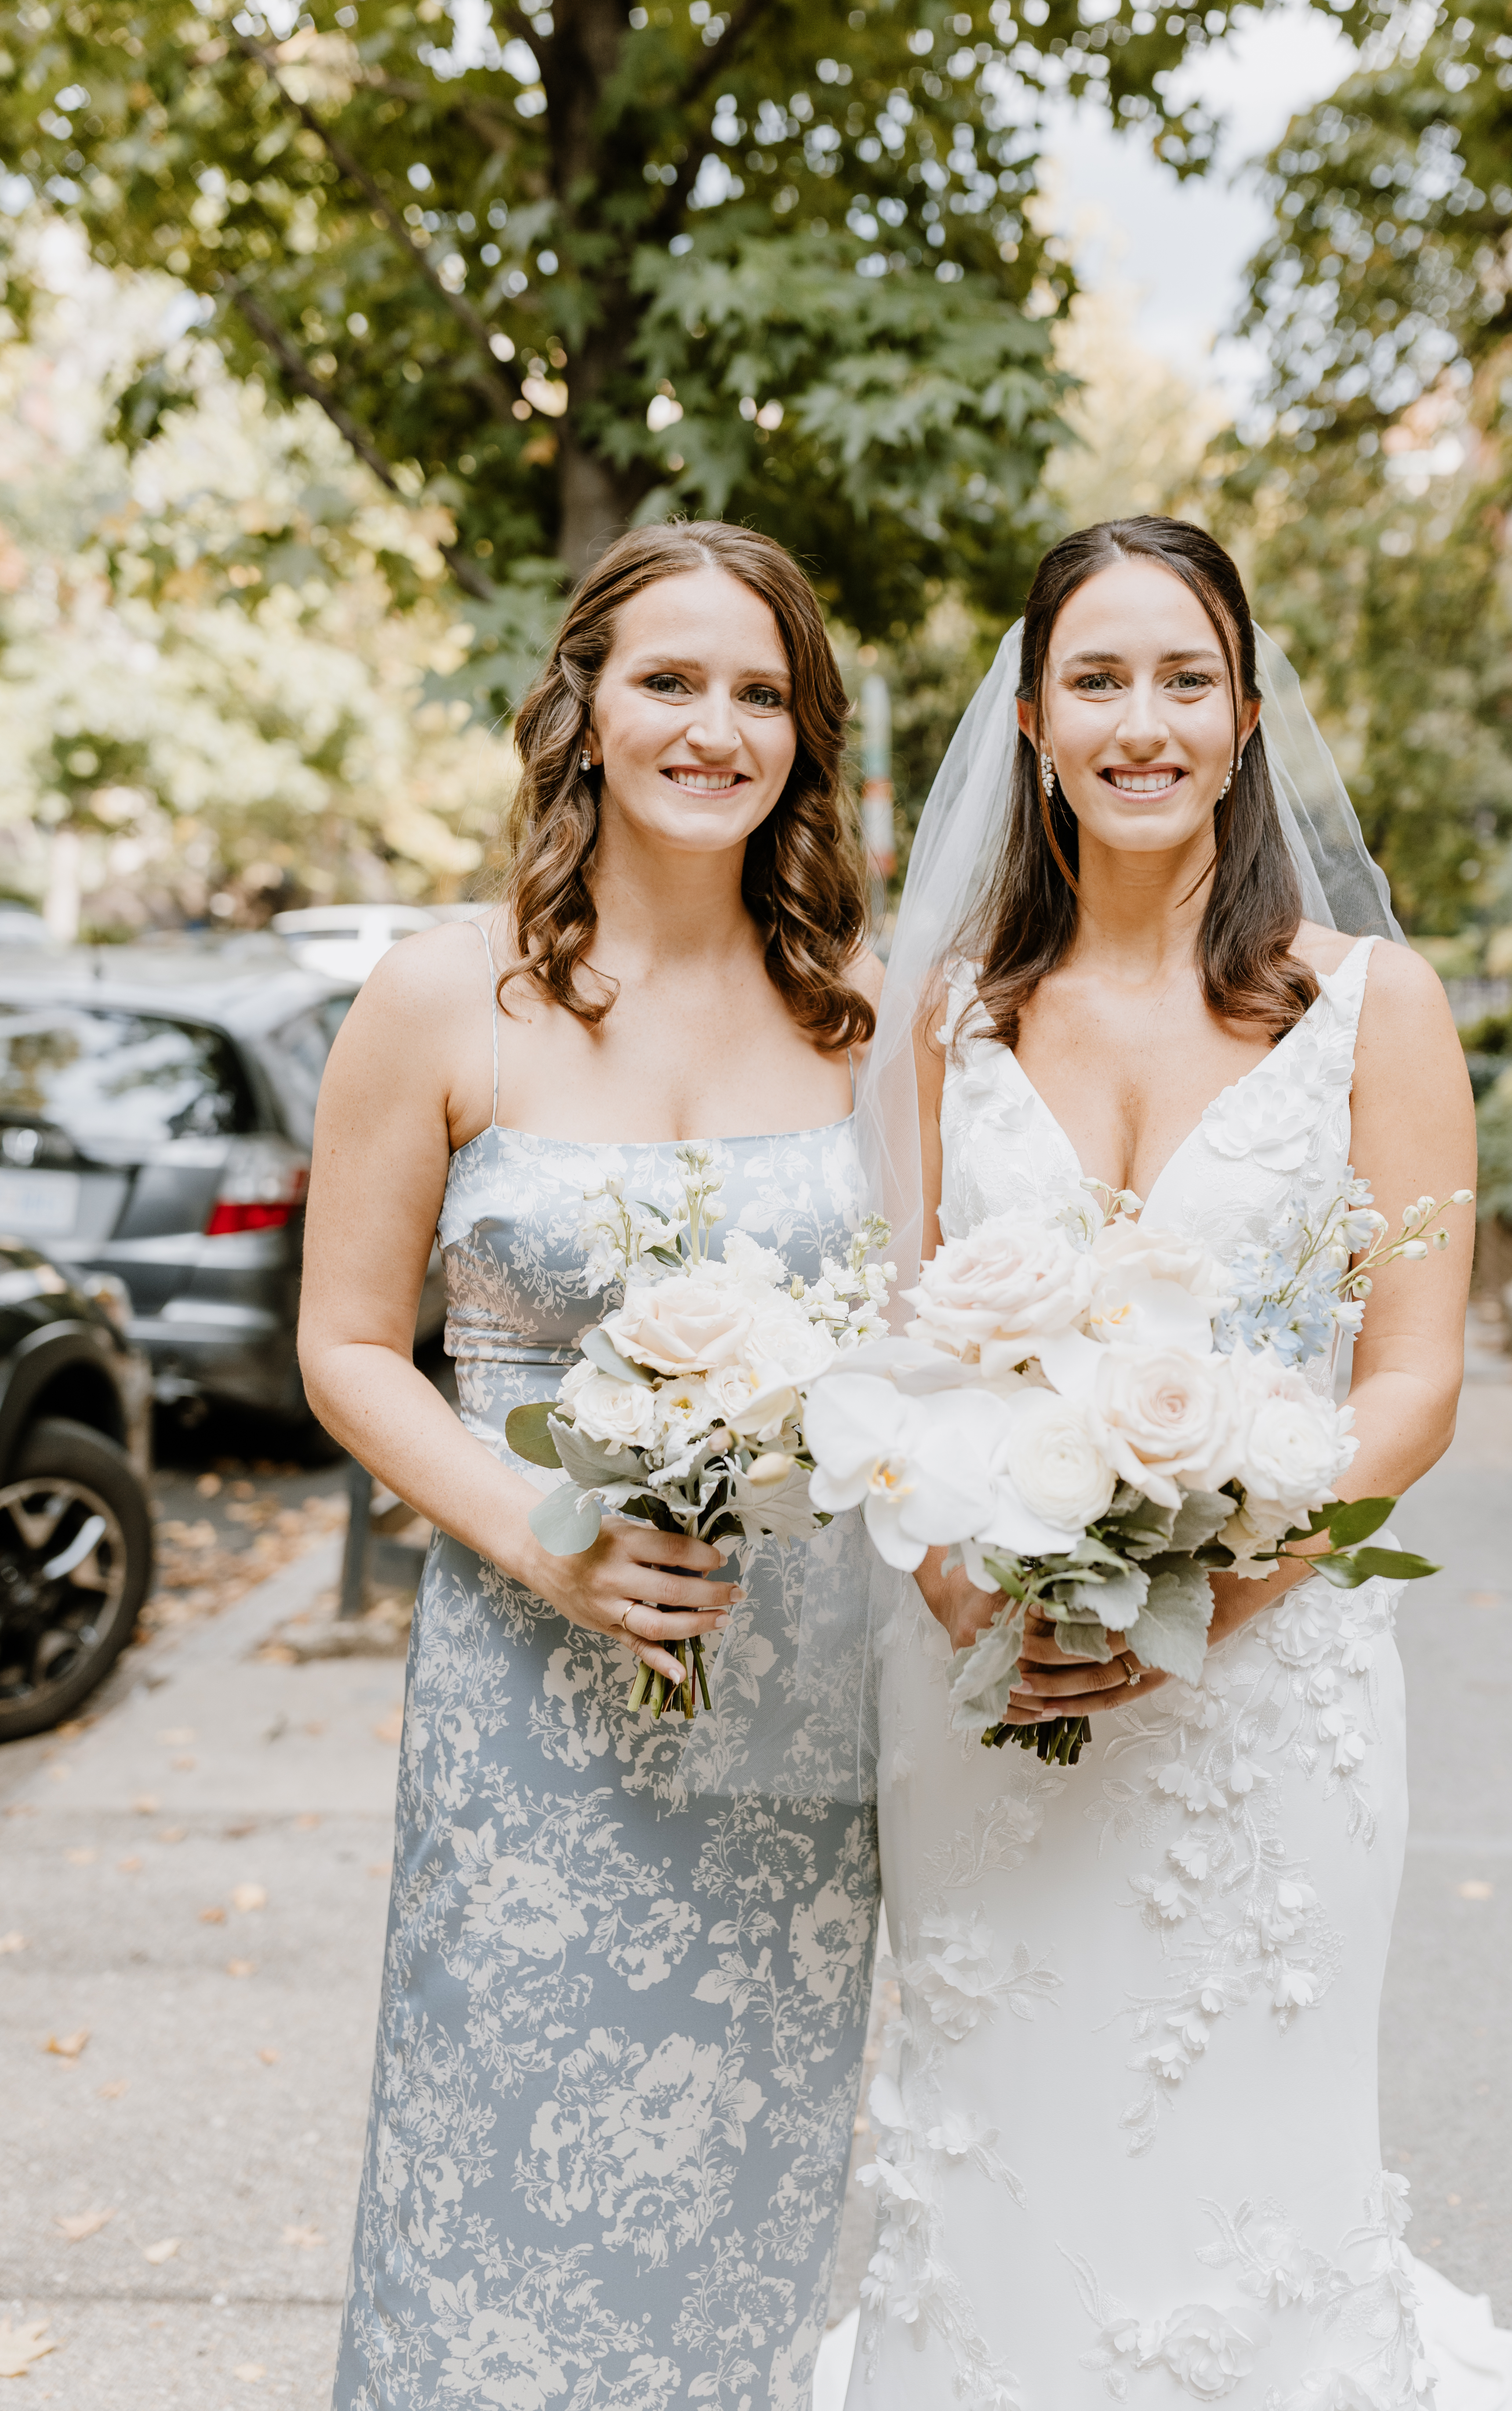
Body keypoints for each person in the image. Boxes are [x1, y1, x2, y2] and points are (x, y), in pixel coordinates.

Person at [845, 517, 1512, 2408]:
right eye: (1098, 680)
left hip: (1268, 1699)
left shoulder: (1375, 1006)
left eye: (1183, 678)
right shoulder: (944, 1015)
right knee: (1005, 2149)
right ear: (1032, 721)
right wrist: (955, 1566)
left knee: (1240, 2176)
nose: (1143, 721)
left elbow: (1414, 1380)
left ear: (1247, 716)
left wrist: (1214, 1583)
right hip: (985, 1681)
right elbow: (893, 1359)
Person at [300, 521, 885, 2411]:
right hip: (528, 1705)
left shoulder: (872, 1017)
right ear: (583, 707)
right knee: (499, 2187)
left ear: (804, 732)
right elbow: (347, 1345)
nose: (713, 727)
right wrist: (544, 1535)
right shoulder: (440, 994)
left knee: (750, 2217)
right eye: (669, 680)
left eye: (757, 692)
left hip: (800, 1705)